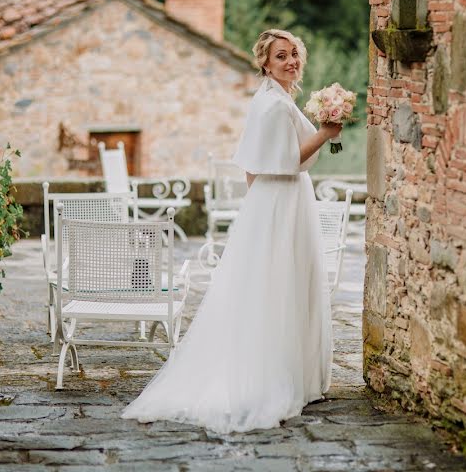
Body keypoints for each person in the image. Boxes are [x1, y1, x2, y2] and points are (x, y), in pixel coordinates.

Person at [121, 29, 342, 433]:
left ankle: (294, 374)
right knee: (281, 284)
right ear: (265, 63)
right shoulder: (274, 106)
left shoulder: (272, 98)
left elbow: (251, 165)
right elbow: (289, 160)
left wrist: (261, 210)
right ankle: (277, 377)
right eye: (281, 56)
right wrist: (326, 134)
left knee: (275, 283)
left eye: (294, 54)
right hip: (283, 198)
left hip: (277, 200)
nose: (291, 61)